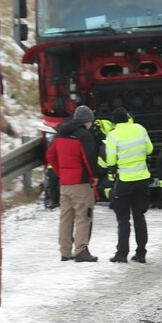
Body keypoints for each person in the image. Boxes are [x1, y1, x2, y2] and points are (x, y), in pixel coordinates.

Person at [44, 104, 99, 262]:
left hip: (65, 184)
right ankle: (81, 250)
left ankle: (65, 251)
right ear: (86, 121)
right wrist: (94, 175)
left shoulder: (60, 133)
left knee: (66, 217)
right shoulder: (84, 135)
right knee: (83, 216)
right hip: (80, 183)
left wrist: (60, 173)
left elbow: (50, 155)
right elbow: (88, 158)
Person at [100, 106, 153, 263]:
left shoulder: (113, 135)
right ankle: (141, 253)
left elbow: (111, 160)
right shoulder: (140, 129)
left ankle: (122, 254)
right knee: (139, 216)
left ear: (114, 122)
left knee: (123, 218)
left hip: (124, 181)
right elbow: (149, 149)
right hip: (142, 179)